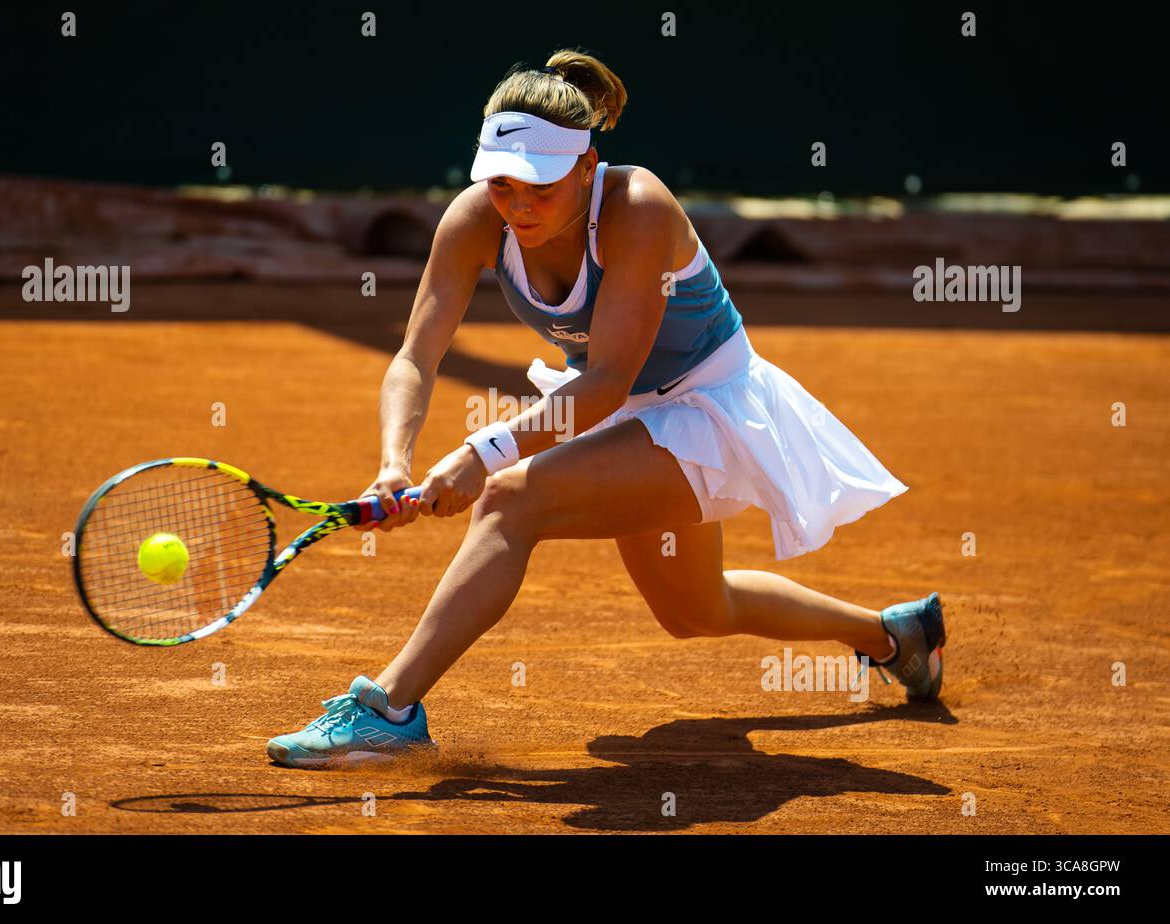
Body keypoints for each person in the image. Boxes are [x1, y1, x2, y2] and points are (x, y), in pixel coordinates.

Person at [267, 49, 945, 768]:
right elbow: (415, 356)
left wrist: (480, 452)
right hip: (621, 413)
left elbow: (608, 382)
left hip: (707, 406)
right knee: (696, 611)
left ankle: (389, 710)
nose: (518, 205)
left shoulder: (639, 207)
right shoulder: (476, 219)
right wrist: (392, 464)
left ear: (587, 166)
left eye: (540, 187)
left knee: (507, 499)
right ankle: (896, 636)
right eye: (501, 184)